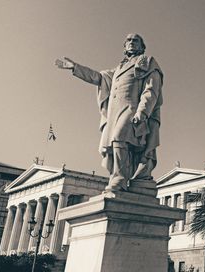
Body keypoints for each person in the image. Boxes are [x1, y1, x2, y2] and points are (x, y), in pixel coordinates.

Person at [55, 33, 163, 192]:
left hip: (132, 109)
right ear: (125, 46)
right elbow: (98, 77)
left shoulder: (147, 62)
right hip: (114, 112)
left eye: (136, 40)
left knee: (120, 137)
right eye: (129, 40)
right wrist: (75, 68)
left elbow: (151, 90)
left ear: (142, 46)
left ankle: (119, 178)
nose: (132, 42)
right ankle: (118, 176)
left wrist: (143, 111)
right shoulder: (118, 69)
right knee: (113, 144)